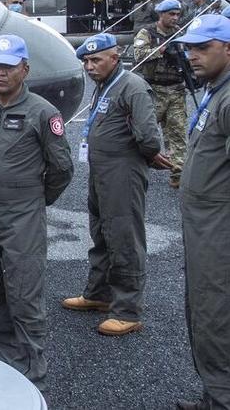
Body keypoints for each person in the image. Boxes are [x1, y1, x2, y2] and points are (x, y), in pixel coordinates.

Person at [0, 35, 72, 391]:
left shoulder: (43, 113)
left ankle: (32, 379)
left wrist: (35, 201)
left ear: (25, 69)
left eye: (8, 66)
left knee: (24, 296)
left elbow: (61, 168)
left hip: (22, 215)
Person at [63, 33, 169, 335]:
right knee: (100, 233)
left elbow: (149, 138)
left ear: (115, 57)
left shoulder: (132, 87)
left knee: (124, 238)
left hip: (122, 173)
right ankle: (99, 293)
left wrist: (146, 156)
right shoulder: (105, 85)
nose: (89, 66)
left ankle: (127, 310)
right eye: (86, 61)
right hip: (102, 173)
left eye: (96, 60)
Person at [173, 15, 230, 410]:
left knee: (216, 313)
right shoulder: (216, 90)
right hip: (205, 227)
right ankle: (215, 395)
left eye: (203, 48)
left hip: (219, 231)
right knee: (204, 310)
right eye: (190, 48)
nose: (193, 55)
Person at [133, 0, 188, 188]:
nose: (175, 18)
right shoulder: (147, 32)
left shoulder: (180, 32)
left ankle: (178, 173)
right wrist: (163, 49)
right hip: (154, 90)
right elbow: (139, 56)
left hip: (176, 89)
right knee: (143, 132)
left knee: (177, 133)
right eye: (171, 14)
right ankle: (134, 167)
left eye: (177, 14)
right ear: (161, 14)